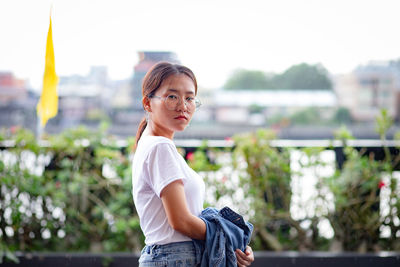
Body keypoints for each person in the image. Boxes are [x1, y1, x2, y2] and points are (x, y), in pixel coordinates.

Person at [132, 61, 254, 267]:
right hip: (175, 258)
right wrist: (229, 237)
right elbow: (180, 221)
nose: (183, 106)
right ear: (147, 103)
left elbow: (188, 215)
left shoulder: (153, 145)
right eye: (172, 96)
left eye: (189, 98)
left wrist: (232, 244)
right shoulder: (160, 147)